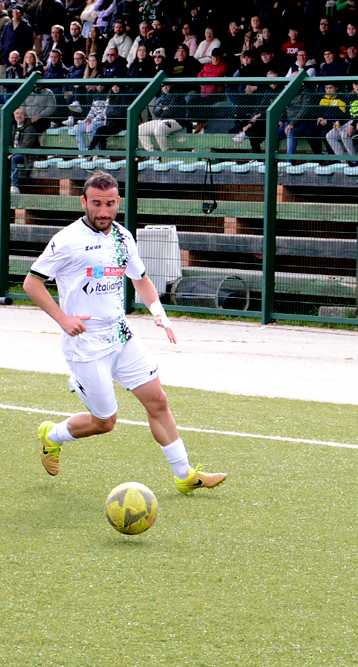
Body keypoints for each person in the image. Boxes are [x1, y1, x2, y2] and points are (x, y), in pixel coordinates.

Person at [24, 171, 227, 492]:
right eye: (96, 204)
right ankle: (52, 435)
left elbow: (141, 280)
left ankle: (185, 475)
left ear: (118, 202)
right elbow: (31, 283)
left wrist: (159, 313)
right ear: (83, 202)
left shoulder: (123, 237)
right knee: (105, 423)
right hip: (85, 344)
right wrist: (63, 319)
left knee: (158, 401)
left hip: (120, 335)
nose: (103, 212)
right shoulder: (67, 240)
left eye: (109, 204)